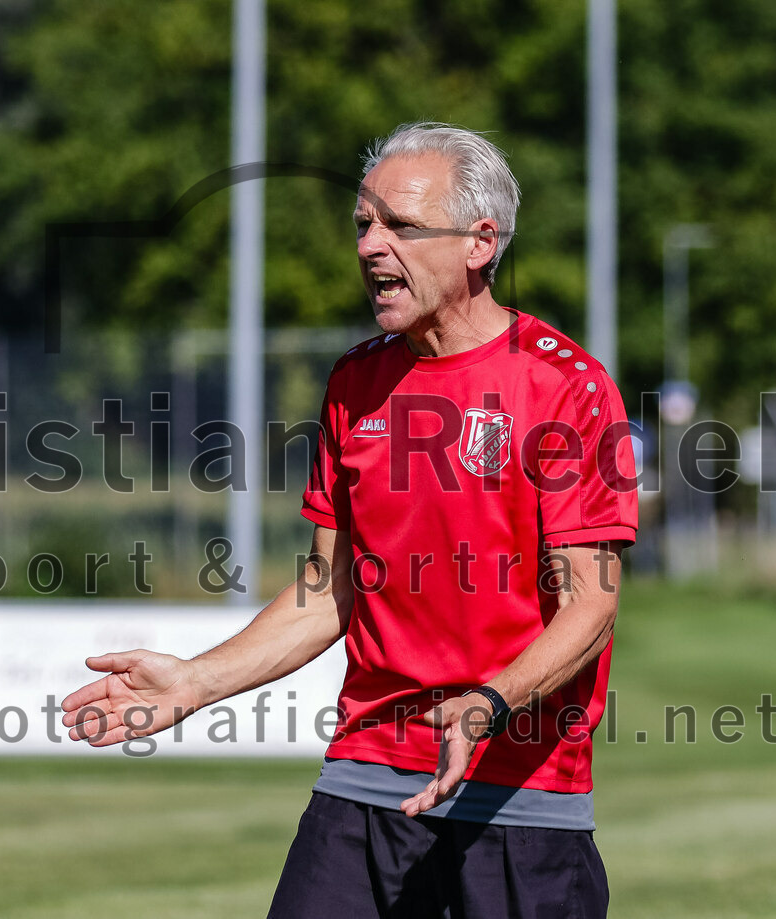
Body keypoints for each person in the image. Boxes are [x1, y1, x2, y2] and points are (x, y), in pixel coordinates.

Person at [61, 122, 638, 918]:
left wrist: (488, 703)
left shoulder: (564, 385)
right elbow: (327, 586)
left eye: (399, 226)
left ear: (479, 242)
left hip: (520, 802)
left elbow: (592, 604)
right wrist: (196, 681)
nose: (370, 246)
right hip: (363, 782)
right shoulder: (355, 382)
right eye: (363, 225)